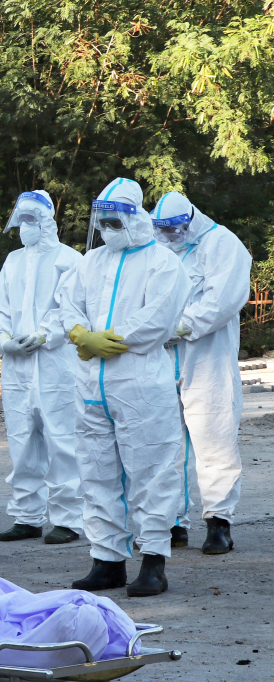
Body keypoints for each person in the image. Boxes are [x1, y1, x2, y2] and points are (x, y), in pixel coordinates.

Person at [60, 177, 190, 596]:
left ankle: (153, 561)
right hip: (90, 383)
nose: (108, 229)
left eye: (116, 221)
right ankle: (107, 560)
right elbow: (68, 302)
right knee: (96, 471)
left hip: (140, 381)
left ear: (137, 219)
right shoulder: (91, 261)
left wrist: (110, 339)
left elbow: (158, 319)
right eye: (104, 222)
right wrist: (80, 333)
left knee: (151, 470)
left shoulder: (163, 263)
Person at [152, 191, 251, 554]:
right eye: (161, 230)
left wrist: (181, 325)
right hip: (161, 357)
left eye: (174, 230)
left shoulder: (223, 244)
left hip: (206, 357)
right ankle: (171, 522)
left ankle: (218, 522)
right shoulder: (158, 247)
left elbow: (223, 299)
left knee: (214, 438)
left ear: (190, 220)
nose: (168, 237)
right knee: (164, 443)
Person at [0, 191, 85, 545]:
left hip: (56, 363)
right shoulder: (13, 261)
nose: (24, 227)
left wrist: (48, 335)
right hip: (17, 366)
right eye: (21, 220)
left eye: (30, 220)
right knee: (22, 441)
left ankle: (69, 518)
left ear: (46, 222)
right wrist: (2, 340)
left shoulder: (69, 260)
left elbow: (72, 307)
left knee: (62, 440)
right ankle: (27, 516)